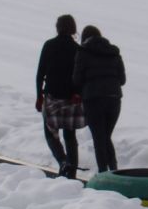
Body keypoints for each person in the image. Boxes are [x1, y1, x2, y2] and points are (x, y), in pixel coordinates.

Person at [35, 14, 85, 178]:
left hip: (52, 96)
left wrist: (39, 96)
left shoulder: (49, 45)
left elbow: (40, 73)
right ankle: (72, 172)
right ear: (73, 29)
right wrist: (78, 93)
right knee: (69, 134)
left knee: (50, 133)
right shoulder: (77, 49)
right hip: (71, 98)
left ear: (58, 28)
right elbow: (81, 76)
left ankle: (63, 161)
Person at [72, 25, 125, 173]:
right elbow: (122, 79)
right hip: (114, 99)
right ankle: (114, 170)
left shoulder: (82, 52)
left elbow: (77, 80)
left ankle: (104, 172)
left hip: (93, 99)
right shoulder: (114, 52)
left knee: (99, 138)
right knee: (106, 136)